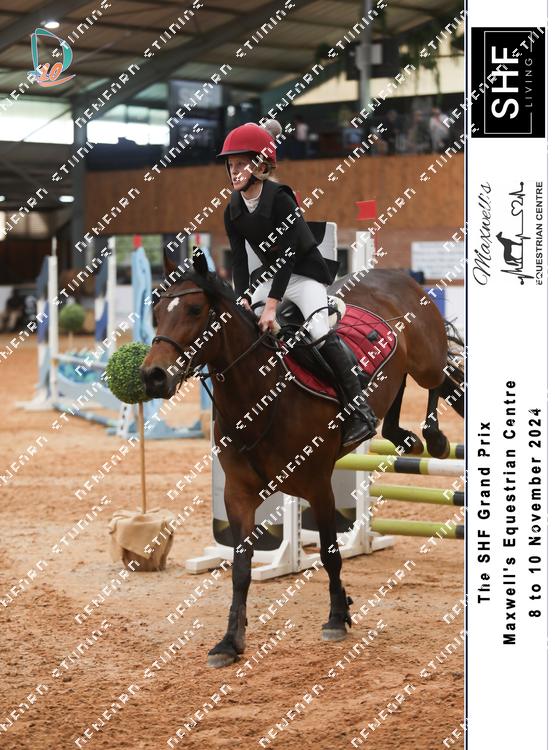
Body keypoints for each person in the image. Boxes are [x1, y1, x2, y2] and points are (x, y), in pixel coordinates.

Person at [219, 120, 377, 446]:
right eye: (231, 165)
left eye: (241, 164)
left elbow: (288, 257)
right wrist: (243, 296)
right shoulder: (232, 209)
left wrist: (271, 307)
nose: (234, 171)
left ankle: (360, 409)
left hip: (304, 275)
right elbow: (239, 260)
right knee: (251, 330)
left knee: (318, 331)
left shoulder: (281, 199)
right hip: (270, 277)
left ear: (260, 166)